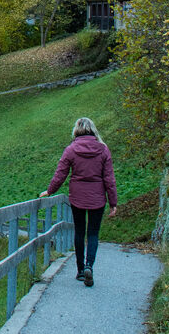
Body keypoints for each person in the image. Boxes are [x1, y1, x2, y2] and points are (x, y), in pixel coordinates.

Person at [39, 116, 117, 287]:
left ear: (77, 130)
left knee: (79, 232)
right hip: (97, 197)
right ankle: (90, 265)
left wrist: (50, 190)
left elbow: (61, 174)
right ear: (93, 129)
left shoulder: (71, 149)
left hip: (78, 197)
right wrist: (113, 203)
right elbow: (109, 178)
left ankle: (81, 271)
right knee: (93, 234)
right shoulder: (103, 149)